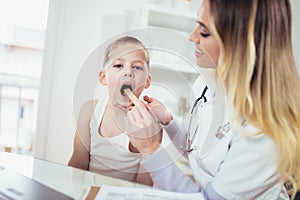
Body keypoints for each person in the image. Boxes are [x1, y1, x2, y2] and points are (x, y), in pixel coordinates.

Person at [126, 0, 300, 199]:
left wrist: (150, 150)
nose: (192, 37)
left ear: (242, 43)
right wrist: (167, 121)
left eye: (205, 32)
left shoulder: (265, 129)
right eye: (197, 24)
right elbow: (199, 152)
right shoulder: (208, 83)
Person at [68, 36, 161, 186]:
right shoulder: (89, 111)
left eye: (137, 67)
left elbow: (144, 183)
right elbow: (78, 162)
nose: (128, 72)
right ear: (103, 77)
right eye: (118, 65)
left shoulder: (150, 124)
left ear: (147, 81)